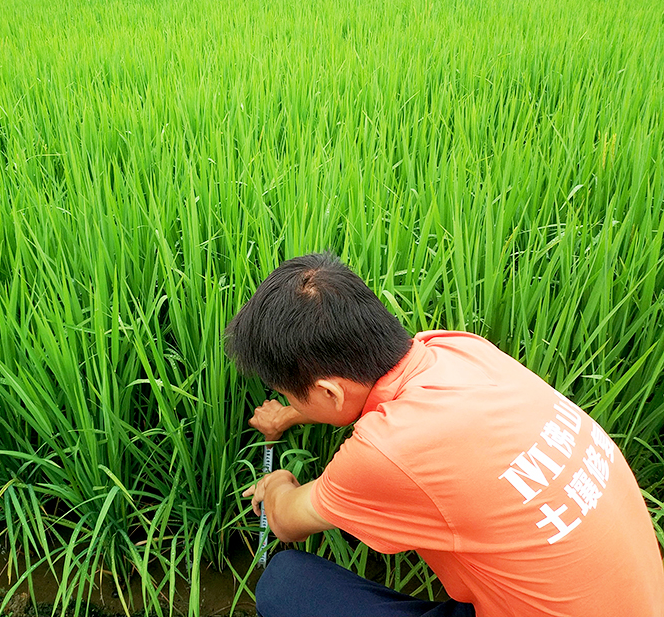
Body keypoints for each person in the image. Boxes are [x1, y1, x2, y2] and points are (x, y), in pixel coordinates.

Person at [223, 252, 664, 617]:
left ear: (328, 392)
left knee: (285, 585)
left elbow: (286, 521)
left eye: (289, 395)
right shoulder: (459, 349)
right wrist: (293, 415)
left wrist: (278, 482)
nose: (289, 403)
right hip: (638, 597)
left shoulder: (386, 453)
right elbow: (370, 398)